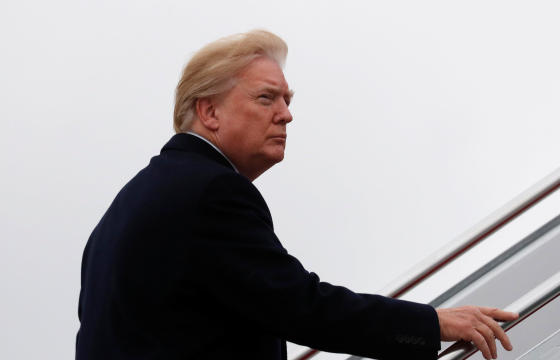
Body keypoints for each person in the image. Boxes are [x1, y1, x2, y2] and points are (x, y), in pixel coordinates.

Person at [76, 30, 518, 360]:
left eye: (287, 99)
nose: (286, 115)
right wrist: (431, 323)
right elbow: (300, 306)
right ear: (209, 111)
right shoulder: (211, 191)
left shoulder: (125, 209)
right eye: (267, 98)